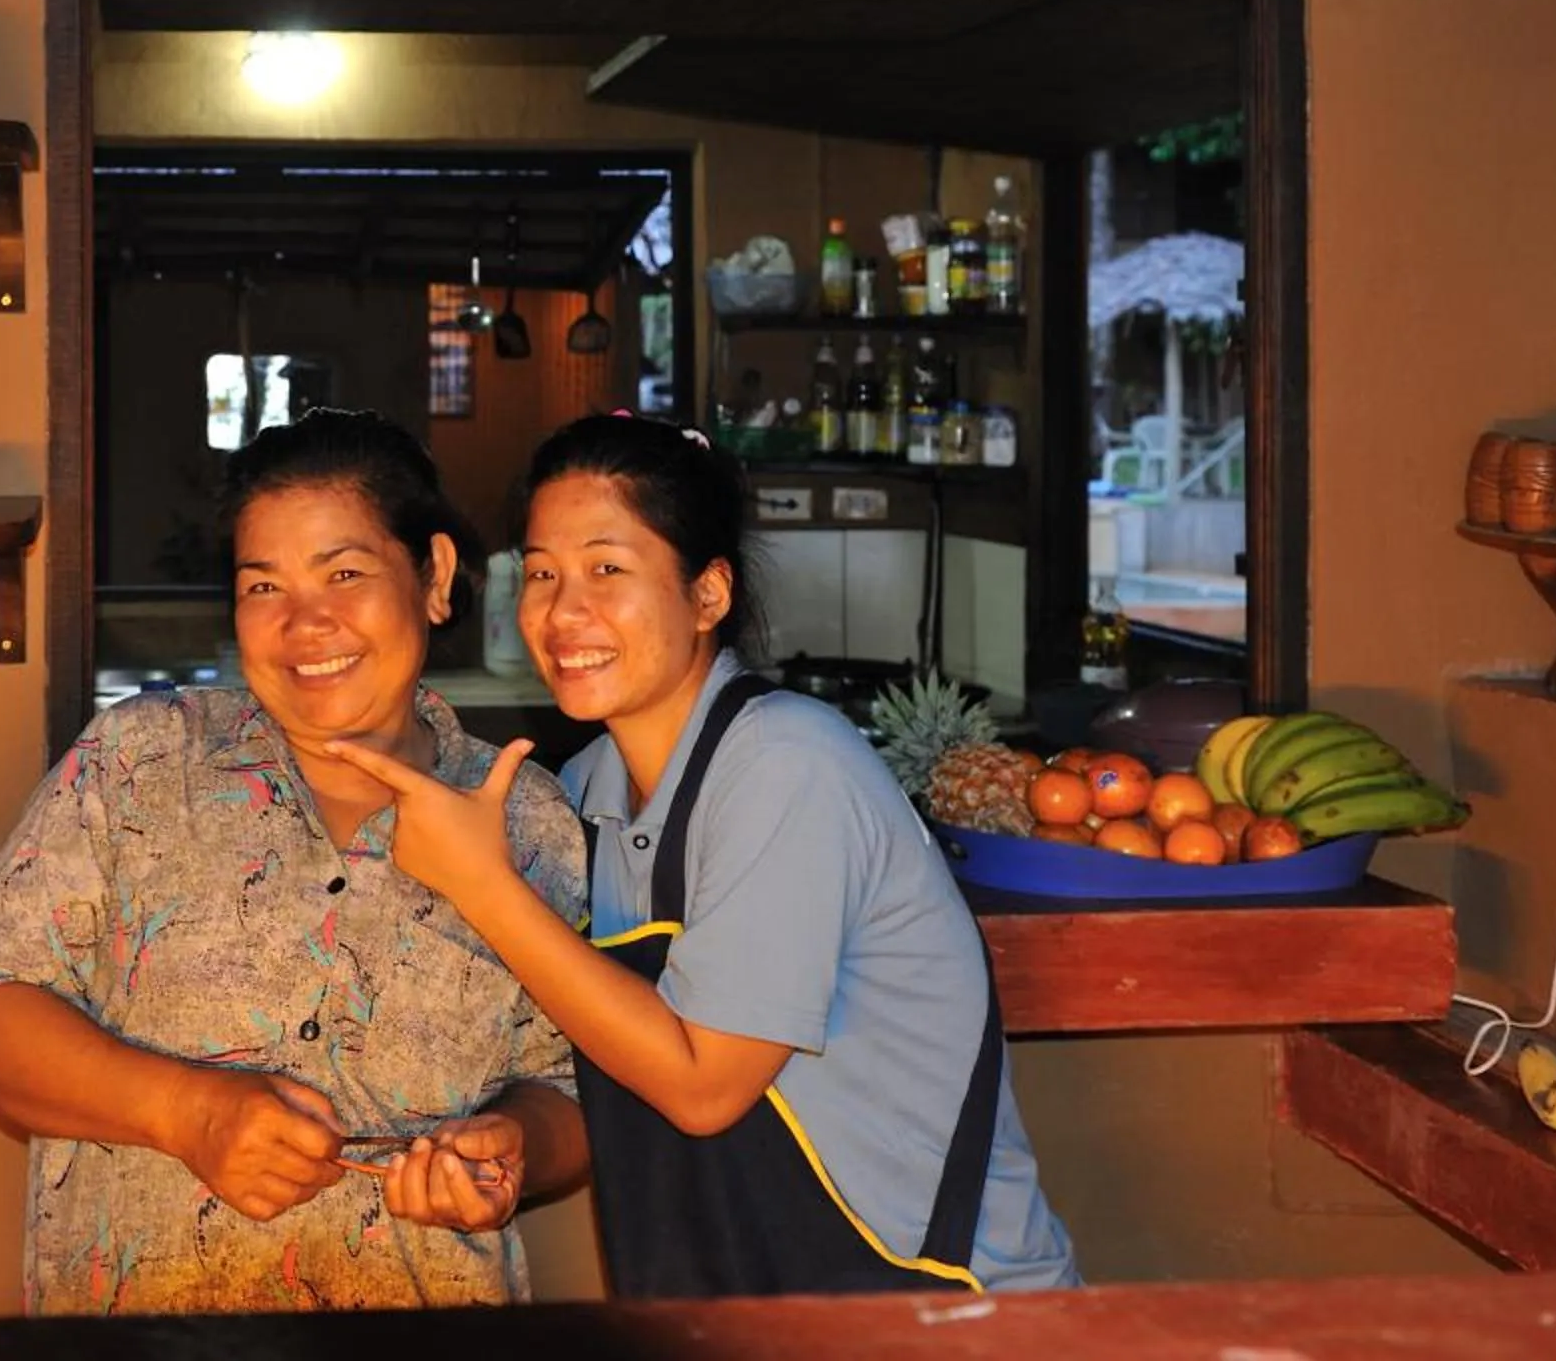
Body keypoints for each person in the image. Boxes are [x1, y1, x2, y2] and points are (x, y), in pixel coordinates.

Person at [331, 413, 1077, 1298]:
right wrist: (504, 1143)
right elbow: (587, 1050)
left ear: (709, 593)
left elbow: (702, 1085)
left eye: (608, 569)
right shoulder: (581, 790)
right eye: (542, 573)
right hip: (733, 1303)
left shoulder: (787, 764)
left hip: (935, 1312)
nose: (564, 612)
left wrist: (483, 884)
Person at [0, 409, 591, 1314]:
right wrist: (188, 1113)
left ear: (434, 577)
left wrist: (510, 1147)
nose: (305, 623)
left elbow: (572, 1089)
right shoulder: (141, 762)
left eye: (345, 573)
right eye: (262, 587)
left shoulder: (531, 818)